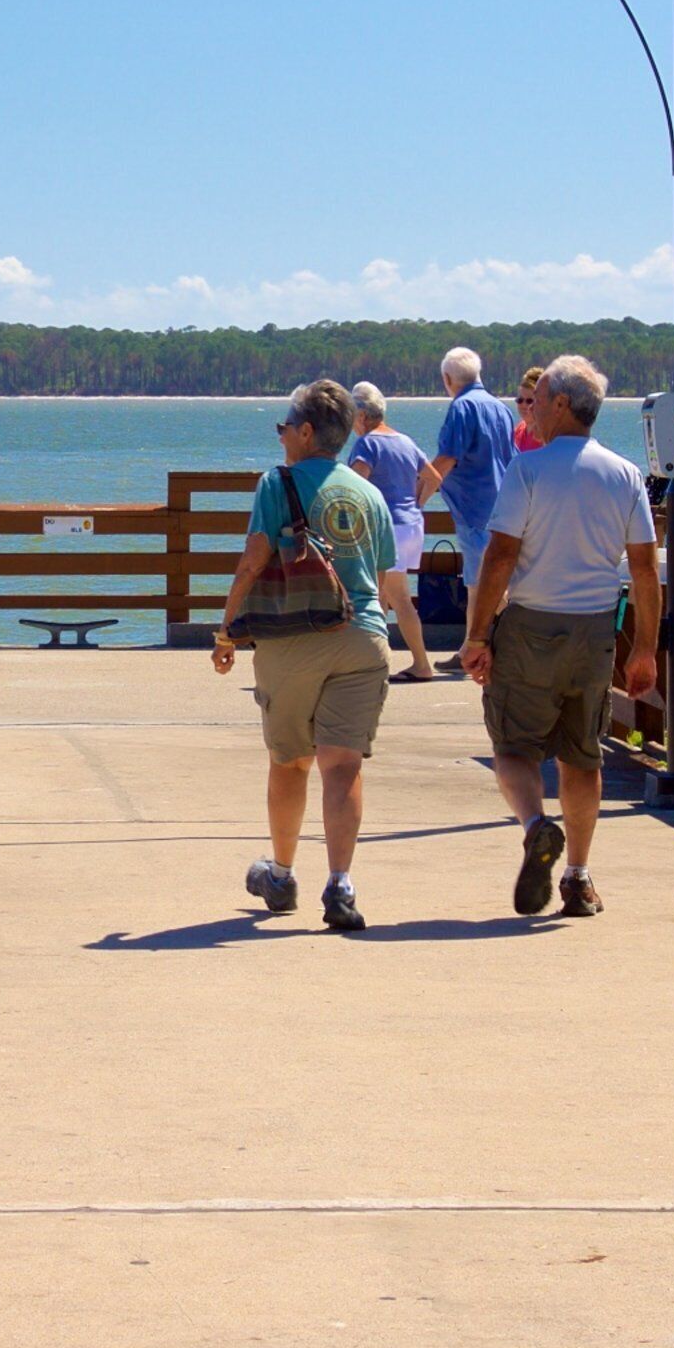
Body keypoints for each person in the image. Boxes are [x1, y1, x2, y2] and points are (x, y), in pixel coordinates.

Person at [460, 355, 662, 920]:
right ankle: (577, 875)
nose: (529, 408)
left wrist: (477, 636)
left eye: (537, 398)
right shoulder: (624, 474)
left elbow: (501, 556)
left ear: (562, 406)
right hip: (597, 629)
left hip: (531, 625)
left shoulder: (528, 470)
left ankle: (534, 826)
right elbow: (643, 569)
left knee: (512, 746)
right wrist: (643, 649)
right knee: (582, 756)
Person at [209, 379, 399, 932]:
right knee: (343, 766)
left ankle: (283, 873)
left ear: (307, 431)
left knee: (291, 761)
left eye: (284, 427)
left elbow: (252, 560)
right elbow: (383, 578)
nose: (281, 437)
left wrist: (227, 632)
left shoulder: (278, 483)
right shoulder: (369, 494)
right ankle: (340, 884)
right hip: (363, 636)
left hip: (293, 641)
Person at [415, 347, 520, 676]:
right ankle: (467, 650)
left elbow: (446, 460)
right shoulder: (499, 408)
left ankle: (521, 640)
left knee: (489, 586)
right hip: (504, 505)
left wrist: (415, 501)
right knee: (477, 585)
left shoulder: (462, 408)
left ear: (448, 379)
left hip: (476, 510)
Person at [341, 384, 438, 682]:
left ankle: (421, 664)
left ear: (362, 415)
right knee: (381, 594)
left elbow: (356, 483)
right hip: (411, 526)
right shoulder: (405, 441)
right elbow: (433, 477)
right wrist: (416, 504)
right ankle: (376, 660)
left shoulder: (367, 444)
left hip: (387, 528)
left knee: (398, 596)